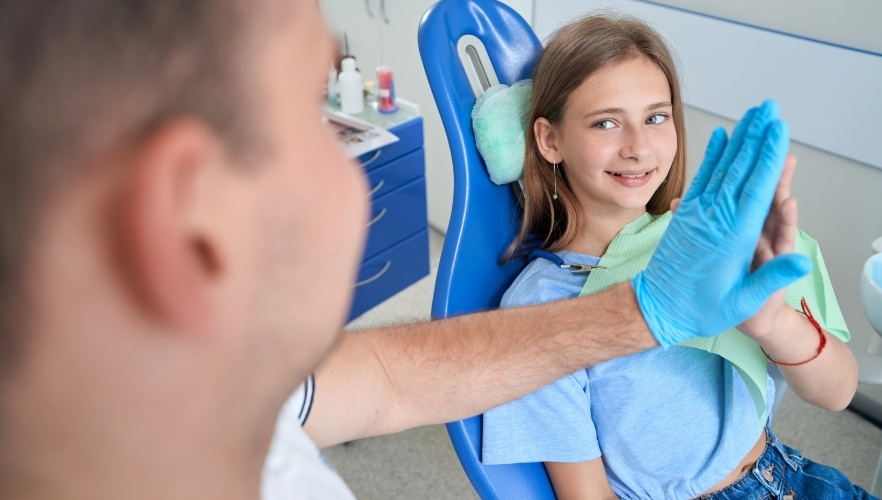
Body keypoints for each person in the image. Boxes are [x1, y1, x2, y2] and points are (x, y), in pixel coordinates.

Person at [0, 1, 812, 499]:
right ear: (186, 226)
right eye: (315, 120)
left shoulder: (212, 406)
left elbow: (384, 379)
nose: (356, 177)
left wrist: (644, 312)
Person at [479, 14, 865, 499]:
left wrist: (772, 324)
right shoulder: (542, 314)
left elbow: (837, 392)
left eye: (656, 117)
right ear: (549, 139)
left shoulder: (701, 245)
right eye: (606, 122)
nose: (638, 147)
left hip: (792, 474)